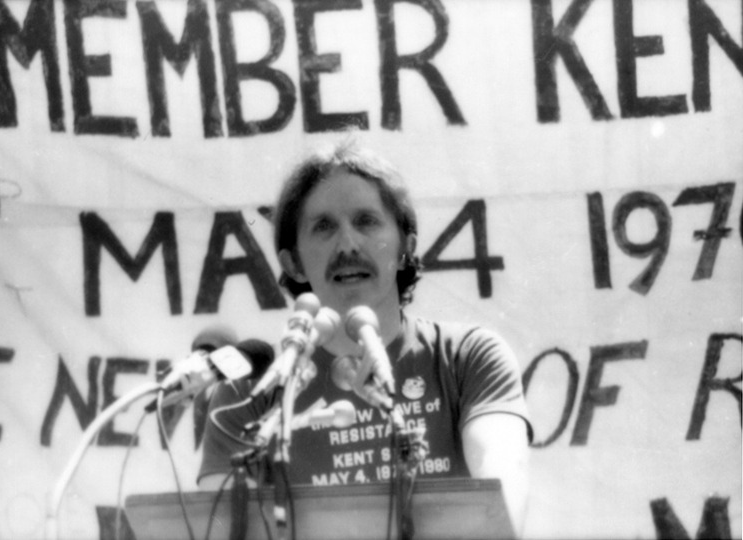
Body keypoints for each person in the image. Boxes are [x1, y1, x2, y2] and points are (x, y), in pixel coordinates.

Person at [197, 140, 532, 536]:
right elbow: (215, 528)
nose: (348, 244)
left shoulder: (467, 357)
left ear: (406, 245)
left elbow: (502, 509)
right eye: (323, 226)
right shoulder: (250, 388)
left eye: (367, 221)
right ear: (294, 262)